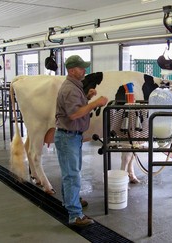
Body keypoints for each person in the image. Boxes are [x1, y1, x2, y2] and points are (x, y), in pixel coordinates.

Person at [54, 55, 108, 227]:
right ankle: (75, 215)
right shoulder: (70, 89)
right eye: (80, 67)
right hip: (68, 136)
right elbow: (74, 114)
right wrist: (95, 103)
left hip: (71, 136)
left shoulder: (75, 87)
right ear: (71, 70)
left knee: (70, 173)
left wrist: (87, 97)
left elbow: (76, 106)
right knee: (72, 175)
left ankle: (70, 200)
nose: (84, 70)